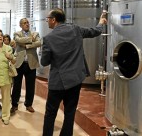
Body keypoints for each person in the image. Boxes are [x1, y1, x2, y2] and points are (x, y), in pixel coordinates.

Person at [40, 8, 107, 136]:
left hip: (57, 82)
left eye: (47, 19)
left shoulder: (48, 38)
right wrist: (100, 22)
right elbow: (96, 31)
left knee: (50, 113)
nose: (47, 21)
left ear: (54, 20)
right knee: (70, 112)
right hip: (75, 80)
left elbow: (44, 62)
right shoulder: (76, 29)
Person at [11, 18, 41, 113]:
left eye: (27, 22)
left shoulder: (35, 34)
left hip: (31, 64)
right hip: (19, 63)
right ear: (20, 25)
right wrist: (30, 40)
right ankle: (14, 104)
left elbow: (39, 43)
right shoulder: (17, 33)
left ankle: (28, 104)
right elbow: (18, 40)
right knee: (16, 85)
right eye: (24, 23)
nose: (27, 24)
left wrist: (27, 45)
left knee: (30, 85)